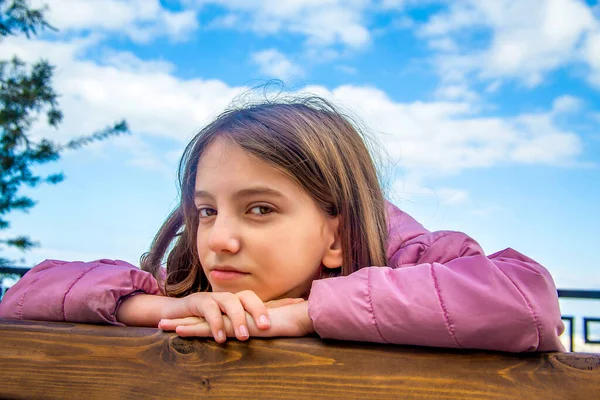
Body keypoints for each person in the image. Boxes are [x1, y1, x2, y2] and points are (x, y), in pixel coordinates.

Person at [0, 95, 565, 352]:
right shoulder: (187, 286)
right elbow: (22, 295)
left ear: (337, 235)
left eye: (260, 209)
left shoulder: (414, 258)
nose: (218, 238)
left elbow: (526, 298)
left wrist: (311, 313)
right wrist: (159, 308)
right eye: (206, 210)